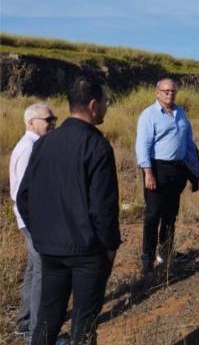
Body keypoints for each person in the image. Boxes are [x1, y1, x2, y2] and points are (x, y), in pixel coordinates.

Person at [16, 75, 121, 345]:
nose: (107, 107)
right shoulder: (97, 146)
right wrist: (110, 247)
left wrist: (41, 234)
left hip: (51, 249)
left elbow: (23, 196)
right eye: (106, 102)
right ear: (94, 105)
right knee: (84, 326)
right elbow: (104, 208)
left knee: (48, 319)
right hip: (87, 253)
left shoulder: (43, 144)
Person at [135, 78, 199, 272]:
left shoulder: (181, 113)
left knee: (170, 215)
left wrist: (194, 170)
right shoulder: (149, 115)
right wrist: (148, 172)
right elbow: (143, 146)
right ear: (157, 93)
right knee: (153, 215)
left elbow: (189, 143)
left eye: (173, 91)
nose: (169, 94)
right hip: (157, 169)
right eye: (165, 91)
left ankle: (166, 253)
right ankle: (147, 260)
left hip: (177, 171)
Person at [9, 103, 56, 338]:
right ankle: (38, 331)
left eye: (53, 118)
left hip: (30, 219)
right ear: (31, 122)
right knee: (42, 271)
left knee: (32, 269)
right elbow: (25, 193)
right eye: (48, 119)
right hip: (33, 220)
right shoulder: (29, 148)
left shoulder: (34, 145)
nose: (53, 123)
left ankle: (25, 322)